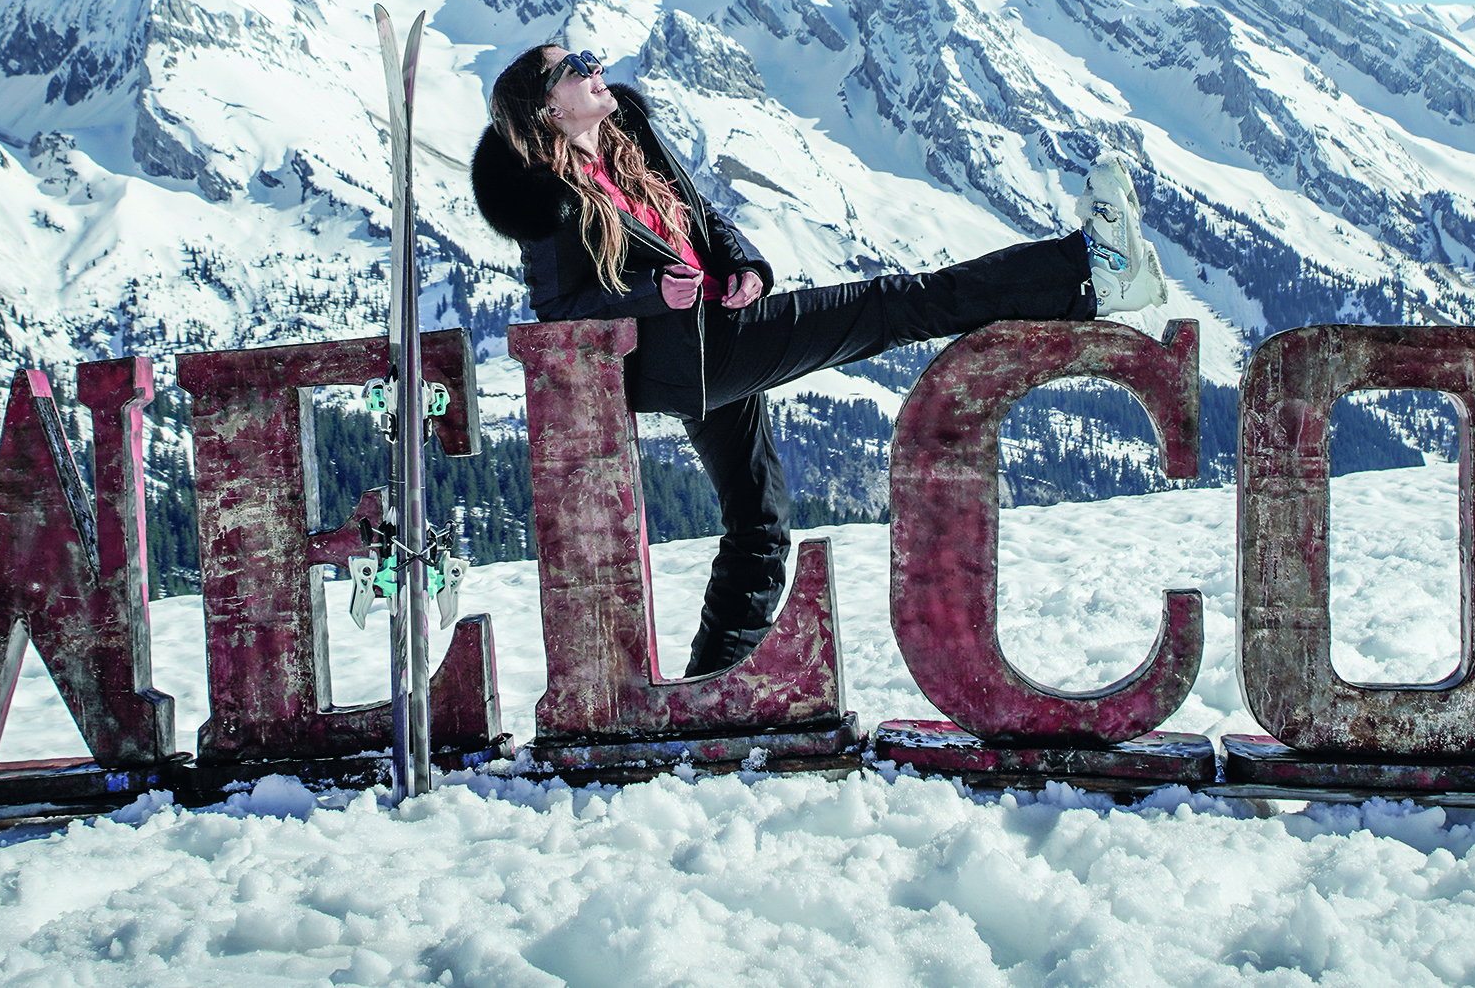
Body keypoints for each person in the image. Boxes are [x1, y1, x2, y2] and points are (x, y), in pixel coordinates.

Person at [470, 43, 1167, 676]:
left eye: (588, 55)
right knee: (891, 304)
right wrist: (653, 294)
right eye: (573, 67)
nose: (594, 65)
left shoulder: (629, 139)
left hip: (722, 327)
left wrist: (747, 266)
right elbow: (561, 313)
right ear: (548, 106)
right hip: (694, 357)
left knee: (758, 520)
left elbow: (702, 217)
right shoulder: (549, 200)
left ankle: (710, 684)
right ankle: (1088, 271)